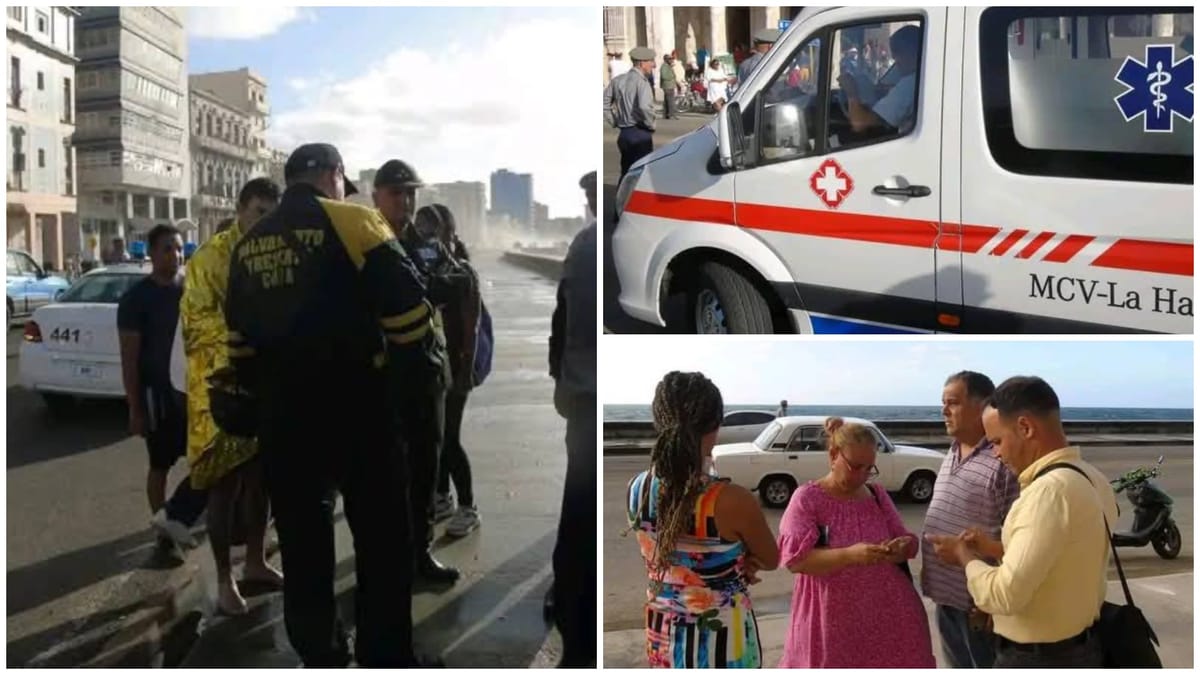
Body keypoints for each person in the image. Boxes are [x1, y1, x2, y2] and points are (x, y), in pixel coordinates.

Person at [224, 142, 435, 666]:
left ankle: (321, 654)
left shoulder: (248, 247)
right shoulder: (355, 223)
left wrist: (272, 397)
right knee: (383, 547)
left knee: (303, 551)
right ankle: (384, 656)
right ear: (334, 177)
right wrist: (407, 410)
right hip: (360, 416)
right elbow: (413, 321)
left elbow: (240, 350)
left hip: (286, 426)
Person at [926, 376, 1118, 668]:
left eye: (998, 442)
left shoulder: (1047, 492)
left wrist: (963, 555)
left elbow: (1003, 596)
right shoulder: (1091, 477)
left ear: (1026, 428)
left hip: (1038, 657)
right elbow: (1059, 557)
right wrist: (992, 549)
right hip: (1078, 646)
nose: (997, 454)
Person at [626, 371, 779, 668]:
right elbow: (771, 558)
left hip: (662, 633)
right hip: (721, 641)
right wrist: (739, 563)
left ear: (659, 423)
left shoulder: (637, 488)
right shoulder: (730, 499)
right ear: (714, 427)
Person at [181, 177, 283, 615]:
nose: (265, 222)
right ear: (241, 209)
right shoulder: (210, 258)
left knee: (261, 482)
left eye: (271, 215)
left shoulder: (275, 254)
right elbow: (196, 324)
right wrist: (246, 340)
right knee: (223, 489)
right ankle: (225, 580)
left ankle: (256, 561)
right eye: (259, 212)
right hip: (218, 391)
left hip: (264, 388)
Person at [778, 417, 935, 668]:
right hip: (830, 621)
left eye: (869, 468)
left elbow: (906, 540)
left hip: (886, 616)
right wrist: (849, 555)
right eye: (855, 466)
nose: (862, 475)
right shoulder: (807, 499)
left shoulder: (877, 494)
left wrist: (900, 547)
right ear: (833, 455)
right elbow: (796, 561)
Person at [372, 159, 461, 584]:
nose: (405, 201)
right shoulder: (365, 244)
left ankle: (420, 551)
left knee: (426, 467)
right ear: (376, 197)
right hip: (380, 378)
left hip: (426, 373)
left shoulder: (426, 244)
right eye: (396, 193)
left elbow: (457, 280)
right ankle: (387, 556)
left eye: (410, 193)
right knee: (384, 473)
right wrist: (427, 287)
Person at [118, 224, 207, 553]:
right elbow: (129, 358)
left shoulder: (191, 289)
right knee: (160, 465)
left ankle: (179, 515)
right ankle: (163, 528)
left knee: (204, 461)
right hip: (158, 396)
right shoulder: (136, 299)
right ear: (152, 253)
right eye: (168, 248)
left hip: (193, 392)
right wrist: (135, 408)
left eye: (180, 248)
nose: (177, 254)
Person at [920, 371, 1018, 667]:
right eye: (943, 403)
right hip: (946, 598)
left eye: (953, 402)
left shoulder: (1002, 460)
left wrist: (993, 606)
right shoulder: (952, 451)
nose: (944, 411)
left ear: (984, 405)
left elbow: (1015, 538)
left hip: (980, 607)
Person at [548, 171, 600, 667]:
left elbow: (559, 326)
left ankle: (574, 635)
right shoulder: (601, 243)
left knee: (577, 524)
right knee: (583, 528)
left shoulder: (582, 245)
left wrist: (560, 382)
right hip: (590, 400)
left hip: (580, 399)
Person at [426, 203, 483, 538]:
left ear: (448, 232)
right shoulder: (427, 268)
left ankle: (468, 506)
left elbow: (471, 326)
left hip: (456, 368)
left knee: (449, 439)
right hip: (435, 366)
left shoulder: (462, 271)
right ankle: (442, 496)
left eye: (434, 230)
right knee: (436, 437)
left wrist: (465, 370)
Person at [838, 24, 921, 134]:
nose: (895, 59)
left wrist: (851, 93)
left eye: (898, 52)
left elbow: (860, 124)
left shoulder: (909, 86)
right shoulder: (918, 80)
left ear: (913, 52)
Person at [604, 46, 658, 179]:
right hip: (639, 133)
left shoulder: (618, 80)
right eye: (651, 61)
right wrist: (651, 124)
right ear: (641, 63)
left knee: (626, 173)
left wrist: (614, 121)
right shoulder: (642, 82)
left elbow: (603, 104)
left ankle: (621, 199)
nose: (654, 65)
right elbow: (645, 107)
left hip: (624, 134)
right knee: (641, 175)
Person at [659, 54, 679, 120]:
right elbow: (664, 76)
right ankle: (671, 114)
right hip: (667, 85)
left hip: (670, 85)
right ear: (666, 59)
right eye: (669, 59)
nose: (671, 60)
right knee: (671, 101)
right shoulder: (664, 66)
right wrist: (672, 76)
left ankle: (666, 114)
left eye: (671, 59)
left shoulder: (668, 66)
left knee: (667, 101)